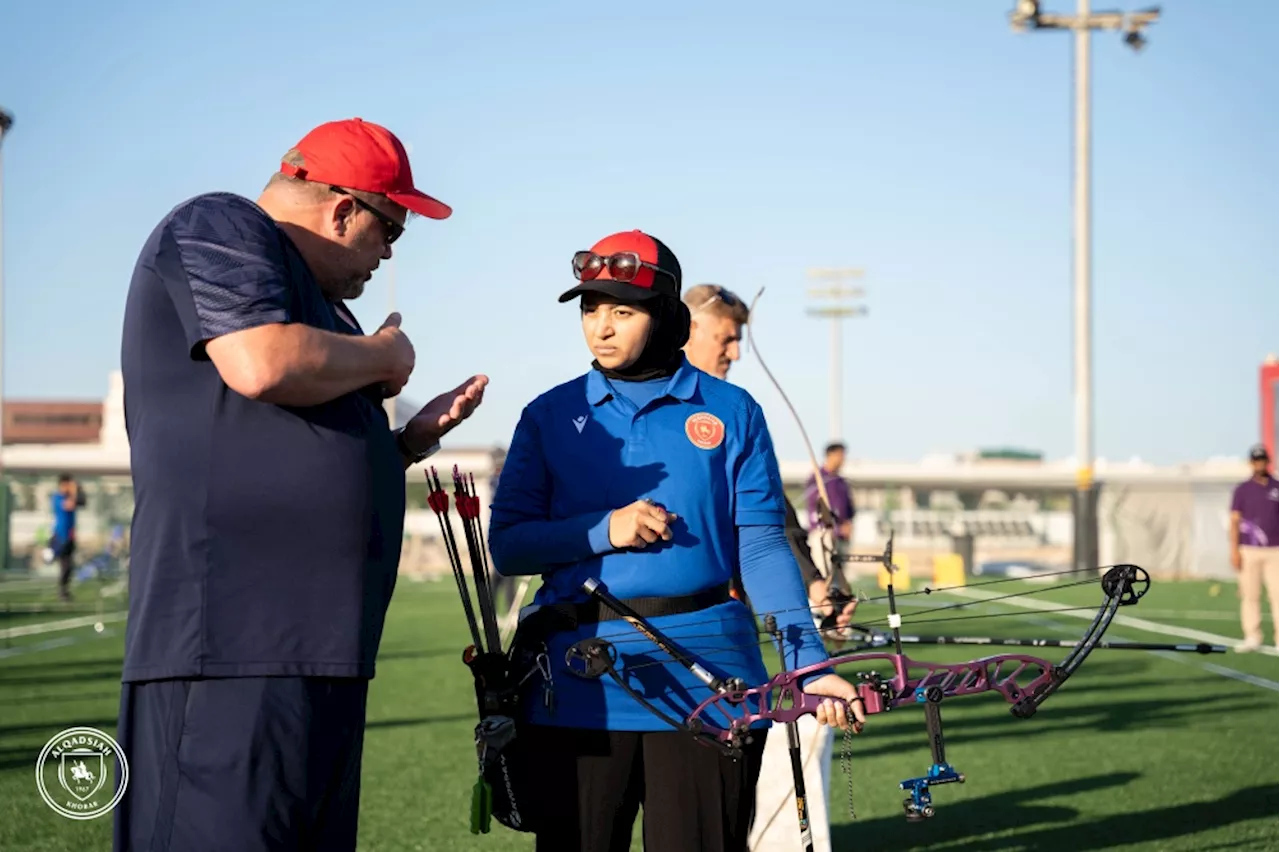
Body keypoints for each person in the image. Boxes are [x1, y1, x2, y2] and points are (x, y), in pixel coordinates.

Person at [113, 117, 488, 852]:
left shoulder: (321, 310)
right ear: (343, 208)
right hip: (229, 645)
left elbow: (303, 453)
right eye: (391, 229)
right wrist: (382, 354)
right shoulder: (221, 222)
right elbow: (259, 365)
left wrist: (406, 445)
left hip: (318, 652)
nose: (388, 253)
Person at [488, 232, 864, 852]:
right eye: (590, 309)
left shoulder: (733, 409)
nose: (600, 328)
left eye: (621, 310)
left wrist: (807, 662)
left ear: (665, 316)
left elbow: (764, 545)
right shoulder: (548, 414)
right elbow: (511, 547)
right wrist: (604, 530)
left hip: (714, 682)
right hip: (580, 682)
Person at [682, 283, 857, 852]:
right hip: (678, 635)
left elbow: (770, 523)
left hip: (739, 632)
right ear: (688, 328)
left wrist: (812, 584)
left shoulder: (734, 413)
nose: (734, 352)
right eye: (727, 339)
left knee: (800, 735)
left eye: (739, 340)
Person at [1229, 443, 1280, 652]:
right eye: (1256, 460)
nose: (1259, 464)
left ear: (1267, 462)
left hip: (1275, 549)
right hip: (1249, 549)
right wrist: (1234, 550)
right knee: (1250, 595)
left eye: (1262, 460)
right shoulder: (1242, 490)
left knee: (1278, 595)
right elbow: (1234, 521)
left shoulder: (1277, 487)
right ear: (1251, 463)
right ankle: (1252, 635)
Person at [805, 442, 855, 580]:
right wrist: (833, 528)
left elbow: (848, 509)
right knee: (823, 576)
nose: (842, 459)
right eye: (839, 455)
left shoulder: (841, 482)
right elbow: (815, 509)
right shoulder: (817, 478)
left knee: (839, 580)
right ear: (830, 455)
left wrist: (847, 524)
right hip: (823, 535)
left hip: (841, 538)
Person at [50, 473, 81, 601]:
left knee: (69, 566)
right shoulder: (58, 497)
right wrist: (73, 492)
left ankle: (65, 590)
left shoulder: (69, 497)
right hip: (60, 536)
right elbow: (69, 505)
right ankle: (62, 591)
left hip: (69, 536)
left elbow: (81, 503)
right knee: (65, 565)